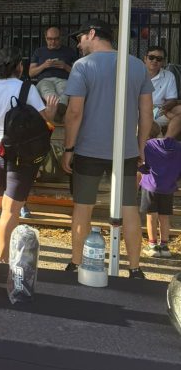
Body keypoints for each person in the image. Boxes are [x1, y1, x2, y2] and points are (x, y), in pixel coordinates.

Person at [61, 21, 153, 278]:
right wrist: (141, 148)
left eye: (80, 38)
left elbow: (74, 112)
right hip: (126, 150)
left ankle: (76, 263)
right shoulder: (137, 65)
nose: (78, 44)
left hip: (88, 149)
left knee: (83, 207)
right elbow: (146, 113)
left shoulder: (82, 66)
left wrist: (68, 148)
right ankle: (135, 268)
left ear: (92, 34)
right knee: (129, 208)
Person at [0, 52, 57, 262]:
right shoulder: (26, 88)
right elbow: (45, 120)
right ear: (19, 66)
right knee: (10, 210)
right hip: (20, 153)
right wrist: (52, 110)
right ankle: (1, 261)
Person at [139, 112, 181, 258]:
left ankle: (152, 245)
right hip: (168, 187)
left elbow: (142, 166)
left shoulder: (147, 145)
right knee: (164, 216)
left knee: (151, 215)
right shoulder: (176, 146)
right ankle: (164, 246)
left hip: (150, 185)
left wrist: (142, 171)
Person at [28, 26, 77, 119]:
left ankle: (56, 110)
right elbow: (31, 73)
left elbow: (77, 74)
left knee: (65, 89)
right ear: (45, 38)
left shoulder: (69, 51)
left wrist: (65, 66)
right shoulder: (39, 51)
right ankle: (58, 110)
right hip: (44, 80)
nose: (53, 42)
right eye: (50, 39)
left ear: (60, 38)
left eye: (56, 39)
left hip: (63, 80)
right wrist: (44, 65)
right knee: (47, 90)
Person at [144, 46, 178, 130]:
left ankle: (166, 138)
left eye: (159, 59)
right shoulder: (135, 73)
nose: (155, 61)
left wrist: (163, 108)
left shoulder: (169, 76)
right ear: (145, 58)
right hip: (138, 111)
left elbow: (172, 99)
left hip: (159, 111)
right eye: (151, 57)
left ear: (163, 62)